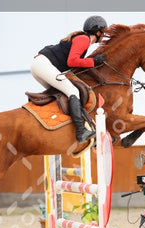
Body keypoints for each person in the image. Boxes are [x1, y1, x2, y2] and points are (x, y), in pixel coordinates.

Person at [31, 15, 107, 143]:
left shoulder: (83, 39)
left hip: (39, 65)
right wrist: (93, 61)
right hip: (43, 65)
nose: (104, 35)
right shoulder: (84, 39)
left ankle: (59, 126)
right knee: (73, 91)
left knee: (62, 95)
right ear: (98, 32)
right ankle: (81, 131)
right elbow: (72, 61)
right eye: (103, 32)